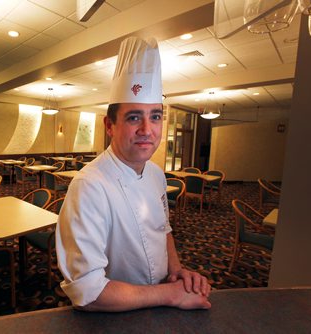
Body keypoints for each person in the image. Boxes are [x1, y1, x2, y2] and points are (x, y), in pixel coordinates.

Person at [55, 37, 211, 312]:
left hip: (161, 302)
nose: (147, 130)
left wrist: (176, 272)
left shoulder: (155, 174)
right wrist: (170, 295)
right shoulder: (89, 186)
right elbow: (88, 291)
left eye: (155, 116)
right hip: (115, 316)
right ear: (110, 125)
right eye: (133, 117)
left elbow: (164, 231)